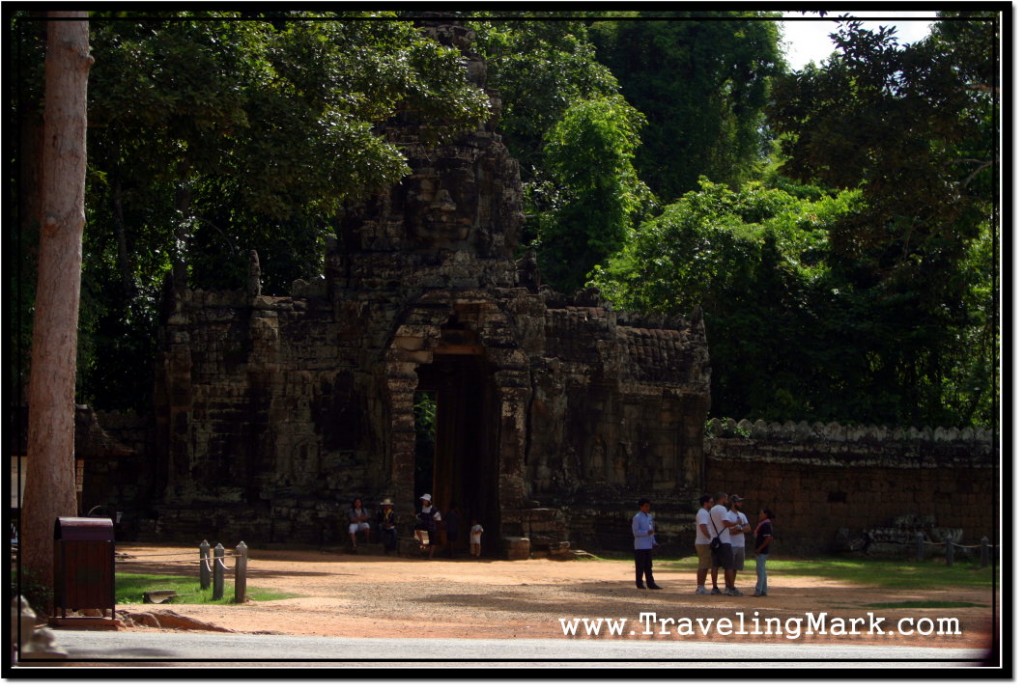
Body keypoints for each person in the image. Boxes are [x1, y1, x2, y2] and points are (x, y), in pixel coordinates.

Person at [709, 492, 740, 595]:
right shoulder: (722, 509)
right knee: (729, 565)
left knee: (715, 565)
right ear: (722, 498)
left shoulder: (711, 510)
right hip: (724, 540)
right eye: (726, 498)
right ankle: (731, 587)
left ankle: (715, 587)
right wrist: (736, 523)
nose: (727, 500)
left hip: (714, 540)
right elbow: (725, 523)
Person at [632, 498, 661, 590]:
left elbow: (651, 530)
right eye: (646, 506)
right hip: (640, 545)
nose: (648, 508)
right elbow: (635, 532)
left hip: (648, 544)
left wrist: (654, 542)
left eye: (648, 506)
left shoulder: (649, 516)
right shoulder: (637, 518)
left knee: (648, 565)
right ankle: (639, 583)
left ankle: (650, 582)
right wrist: (646, 532)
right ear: (641, 507)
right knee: (640, 565)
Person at [693, 494, 714, 594]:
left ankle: (702, 585)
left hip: (705, 541)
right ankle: (700, 586)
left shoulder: (706, 513)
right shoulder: (702, 513)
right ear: (705, 503)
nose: (712, 504)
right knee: (703, 564)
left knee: (706, 564)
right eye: (710, 502)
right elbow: (703, 526)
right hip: (703, 542)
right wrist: (710, 537)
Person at [753, 508, 775, 596]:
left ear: (765, 515)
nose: (760, 515)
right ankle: (763, 590)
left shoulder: (765, 525)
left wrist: (759, 548)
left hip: (762, 551)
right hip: (763, 550)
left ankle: (758, 590)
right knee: (762, 571)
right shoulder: (765, 524)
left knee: (760, 571)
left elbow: (768, 538)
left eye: (761, 513)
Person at [728, 495, 751, 574]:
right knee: (729, 567)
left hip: (741, 545)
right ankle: (729, 585)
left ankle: (732, 585)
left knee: (736, 568)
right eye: (739, 502)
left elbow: (748, 528)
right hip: (731, 545)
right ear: (733, 503)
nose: (741, 504)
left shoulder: (742, 515)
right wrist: (741, 529)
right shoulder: (728, 515)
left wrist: (739, 529)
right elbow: (730, 531)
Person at [414, 494, 443, 559]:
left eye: (425, 500)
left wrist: (438, 529)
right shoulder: (422, 508)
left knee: (433, 541)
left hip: (431, 526)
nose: (424, 502)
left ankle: (430, 556)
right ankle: (422, 543)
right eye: (423, 500)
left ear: (429, 501)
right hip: (424, 524)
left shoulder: (434, 510)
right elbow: (418, 516)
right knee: (417, 528)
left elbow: (438, 520)